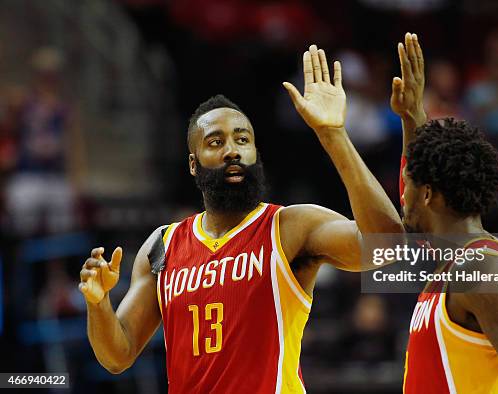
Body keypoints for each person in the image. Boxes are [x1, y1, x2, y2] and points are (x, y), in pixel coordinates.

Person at [78, 45, 403, 393]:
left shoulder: (291, 227)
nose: (232, 149)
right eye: (215, 142)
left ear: (255, 153)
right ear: (193, 164)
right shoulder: (163, 245)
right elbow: (117, 356)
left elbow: (388, 246)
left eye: (242, 139)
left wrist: (333, 135)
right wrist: (98, 304)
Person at [391, 33, 498, 393]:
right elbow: (415, 190)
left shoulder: (483, 271)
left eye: (408, 184)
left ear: (427, 194)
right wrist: (413, 118)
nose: (401, 196)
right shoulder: (448, 264)